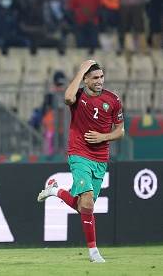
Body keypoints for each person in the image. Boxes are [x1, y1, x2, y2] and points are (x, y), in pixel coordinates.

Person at [37, 60, 124, 263]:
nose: (100, 81)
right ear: (85, 79)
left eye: (101, 77)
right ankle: (93, 252)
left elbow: (121, 130)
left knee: (85, 207)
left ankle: (55, 191)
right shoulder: (78, 95)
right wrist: (81, 70)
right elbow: (67, 98)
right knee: (86, 199)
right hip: (79, 153)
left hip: (100, 158)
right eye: (94, 77)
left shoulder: (113, 100)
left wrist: (103, 137)